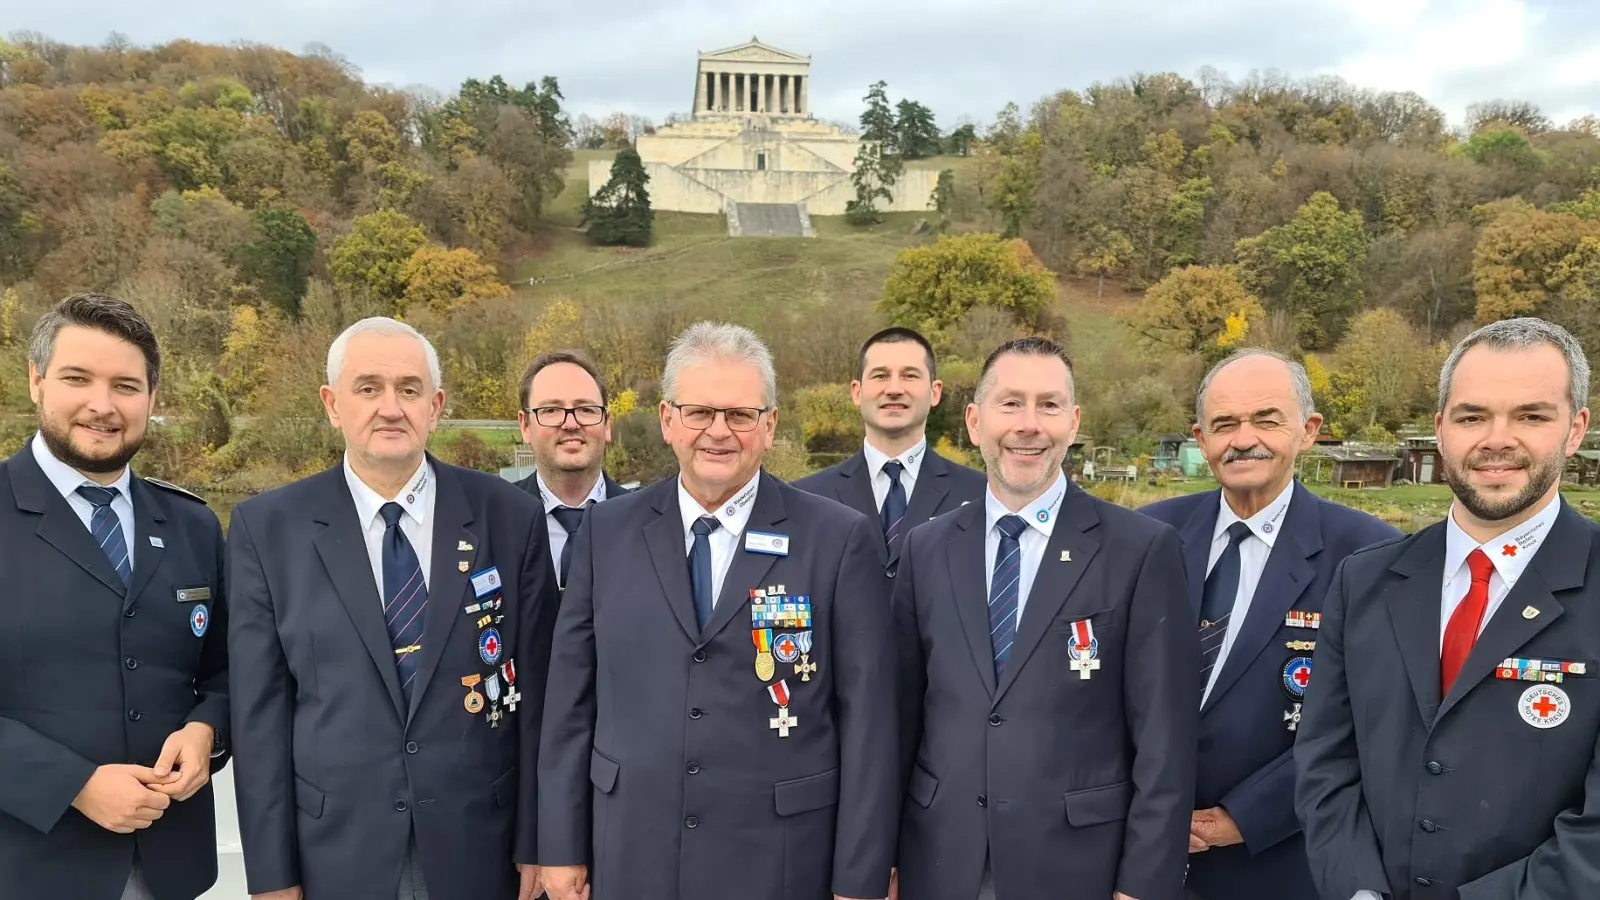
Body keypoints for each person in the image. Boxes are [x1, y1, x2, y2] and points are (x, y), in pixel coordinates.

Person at [538, 322, 896, 900]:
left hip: (780, 859)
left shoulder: (837, 539)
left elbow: (869, 724)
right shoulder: (606, 533)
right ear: (667, 419)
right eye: (700, 412)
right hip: (630, 850)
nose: (718, 432)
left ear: (770, 425)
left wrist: (859, 877)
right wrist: (558, 848)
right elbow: (569, 706)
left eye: (739, 415)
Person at [228, 317, 557, 900]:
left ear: (436, 406)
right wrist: (273, 876)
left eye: (409, 389)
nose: (390, 407)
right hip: (337, 853)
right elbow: (261, 719)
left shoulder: (509, 517)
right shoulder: (267, 528)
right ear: (332, 404)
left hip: (482, 846)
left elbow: (539, 698)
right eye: (368, 388)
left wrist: (540, 841)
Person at [1296, 317, 1600, 900]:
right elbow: (1325, 763)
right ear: (1440, 429)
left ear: (1575, 429)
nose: (1496, 439)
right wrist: (1357, 889)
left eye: (1531, 416)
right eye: (1471, 416)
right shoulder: (1364, 579)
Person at [894, 337, 1197, 900]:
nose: (1029, 425)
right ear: (973, 421)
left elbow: (1166, 740)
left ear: (1074, 421)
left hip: (1079, 865)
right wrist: (882, 858)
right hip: (940, 859)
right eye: (1010, 403)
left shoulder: (1140, 549)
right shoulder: (926, 548)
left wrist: (1145, 884)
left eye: (1049, 405)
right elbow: (902, 718)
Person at [1139, 349, 1398, 900]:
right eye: (1224, 424)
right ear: (1200, 437)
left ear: (1308, 430)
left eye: (1266, 419)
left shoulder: (1371, 554)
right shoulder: (1148, 533)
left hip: (1278, 859)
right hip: (1140, 857)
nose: (1243, 438)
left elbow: (1373, 721)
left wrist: (1243, 816)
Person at [0, 292, 228, 900]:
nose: (102, 406)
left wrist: (208, 728)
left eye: (126, 386)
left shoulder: (193, 525)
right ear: (37, 381)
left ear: (152, 400)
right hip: (27, 866)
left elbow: (228, 670)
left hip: (171, 868)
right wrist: (71, 783)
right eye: (78, 379)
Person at [795, 327, 984, 578]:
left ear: (935, 392)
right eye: (881, 375)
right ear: (857, 392)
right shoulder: (804, 498)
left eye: (909, 375)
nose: (894, 388)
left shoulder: (982, 495)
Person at [513, 350, 631, 590]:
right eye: (551, 410)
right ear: (525, 426)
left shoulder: (645, 523)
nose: (570, 424)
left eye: (586, 409)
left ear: (607, 424)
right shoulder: (495, 520)